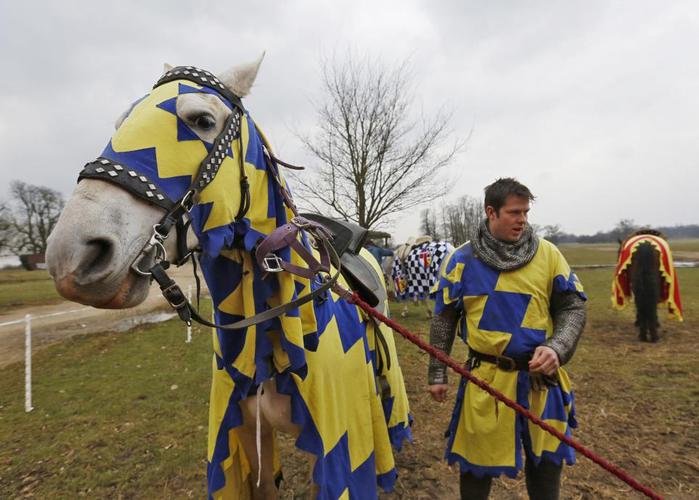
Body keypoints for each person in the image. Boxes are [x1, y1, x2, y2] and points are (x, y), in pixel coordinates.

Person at [427, 178, 586, 500]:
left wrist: (558, 347)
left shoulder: (548, 254)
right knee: (475, 468)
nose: (523, 219)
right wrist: (437, 371)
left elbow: (572, 306)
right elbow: (444, 317)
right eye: (514, 212)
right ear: (491, 212)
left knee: (545, 466)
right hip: (487, 380)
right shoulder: (462, 259)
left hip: (542, 380)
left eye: (526, 212)